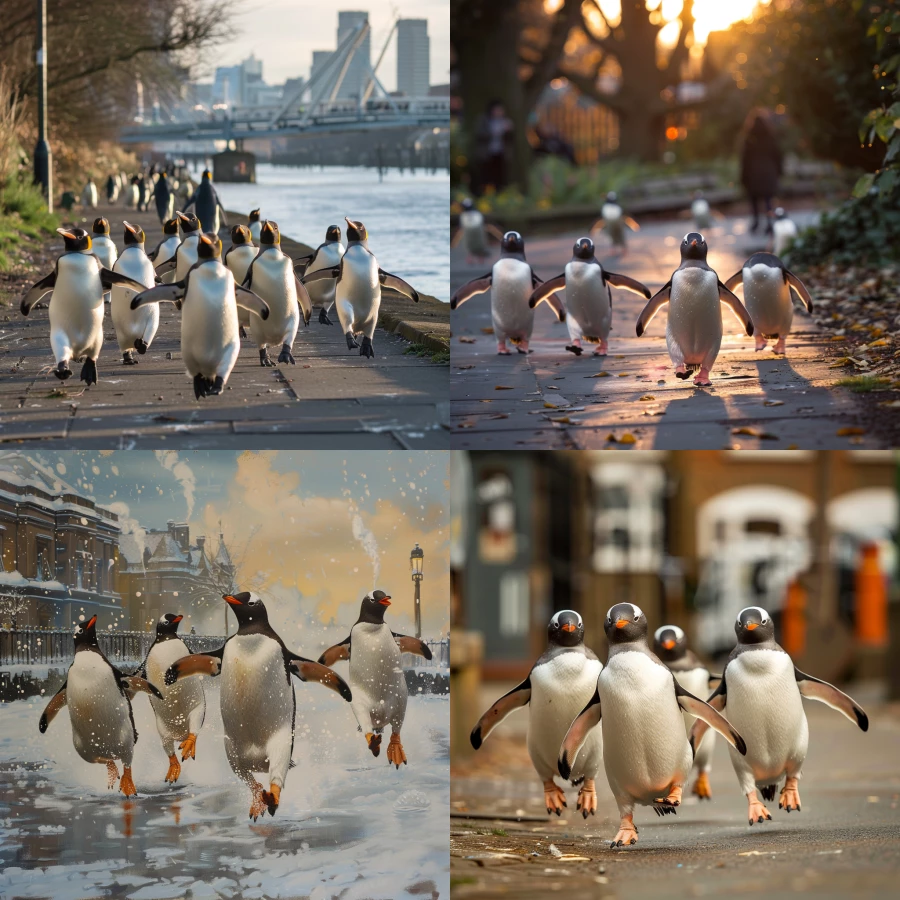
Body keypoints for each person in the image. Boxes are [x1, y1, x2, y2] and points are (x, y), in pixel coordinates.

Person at [740, 108, 783, 234]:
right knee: (768, 201)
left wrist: (744, 177)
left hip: (753, 175)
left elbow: (745, 161)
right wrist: (779, 172)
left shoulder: (749, 139)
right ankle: (769, 223)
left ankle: (756, 222)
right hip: (769, 174)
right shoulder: (771, 138)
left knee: (754, 201)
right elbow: (778, 156)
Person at [474, 99, 513, 194]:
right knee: (486, 175)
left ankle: (500, 194)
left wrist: (509, 131)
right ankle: (485, 194)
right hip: (487, 153)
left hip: (500, 153)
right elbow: (478, 135)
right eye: (497, 110)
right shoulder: (484, 120)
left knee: (500, 176)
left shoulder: (505, 122)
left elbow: (510, 139)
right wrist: (493, 133)